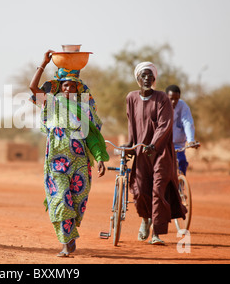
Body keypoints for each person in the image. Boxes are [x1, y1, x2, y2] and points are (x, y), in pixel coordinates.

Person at [30, 50, 108, 257]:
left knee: (77, 201)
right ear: (59, 89)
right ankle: (65, 244)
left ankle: (71, 233)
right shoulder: (51, 103)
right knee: (60, 200)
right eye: (65, 85)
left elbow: (92, 137)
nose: (68, 89)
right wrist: (43, 63)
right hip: (56, 164)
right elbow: (32, 88)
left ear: (77, 89)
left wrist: (99, 158)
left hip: (80, 163)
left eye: (72, 86)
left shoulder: (84, 110)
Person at [123, 62, 186, 245]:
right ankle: (145, 219)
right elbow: (131, 122)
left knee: (159, 190)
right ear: (137, 78)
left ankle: (156, 233)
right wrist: (130, 143)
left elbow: (164, 125)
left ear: (154, 79)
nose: (147, 79)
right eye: (143, 75)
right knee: (141, 190)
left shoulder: (162, 98)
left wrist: (153, 144)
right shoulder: (131, 97)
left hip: (160, 152)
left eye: (150, 76)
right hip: (141, 152)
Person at [165, 85, 199, 175]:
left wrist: (191, 140)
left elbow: (188, 122)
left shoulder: (182, 106)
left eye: (176, 99)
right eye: (171, 98)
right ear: (166, 97)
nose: (174, 101)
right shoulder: (161, 106)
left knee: (182, 162)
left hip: (178, 144)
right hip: (164, 144)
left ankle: (181, 185)